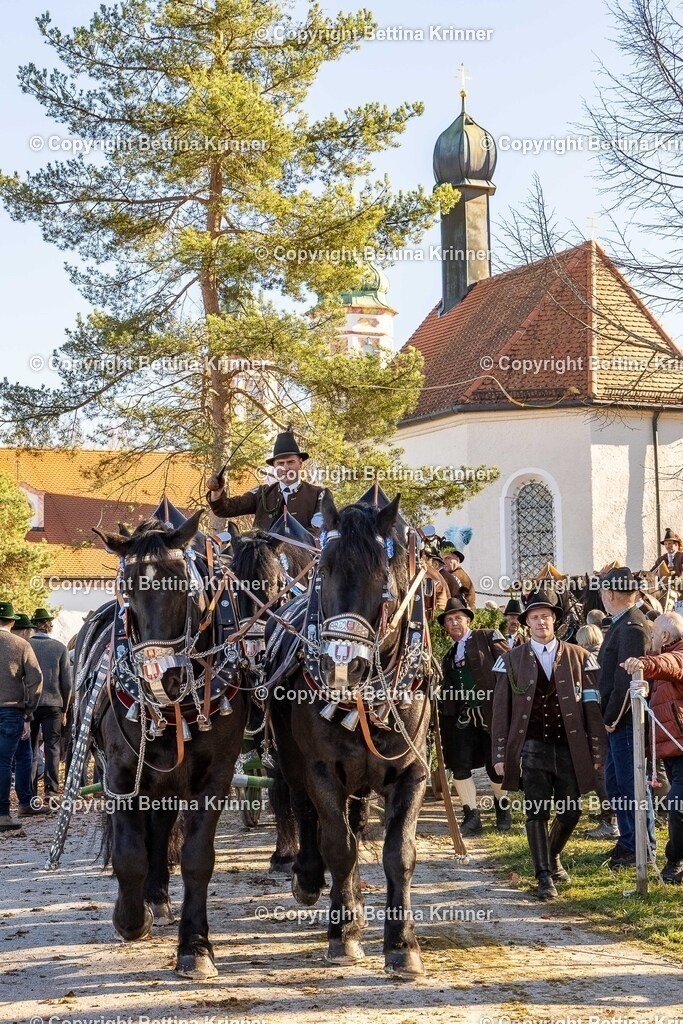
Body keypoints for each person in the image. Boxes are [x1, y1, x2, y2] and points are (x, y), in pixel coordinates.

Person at [491, 588, 605, 900]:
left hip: (570, 747)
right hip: (531, 747)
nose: (541, 621)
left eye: (546, 616)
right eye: (534, 617)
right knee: (536, 811)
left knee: (570, 812)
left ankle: (552, 856)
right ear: (526, 622)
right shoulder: (510, 660)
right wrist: (500, 754)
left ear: (554, 619)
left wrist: (597, 751)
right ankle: (543, 876)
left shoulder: (580, 657)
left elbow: (592, 709)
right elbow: (501, 711)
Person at [437, 597, 510, 835]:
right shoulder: (448, 655)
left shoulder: (487, 636)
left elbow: (510, 663)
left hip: (490, 713)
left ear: (468, 620)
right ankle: (471, 816)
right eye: (449, 620)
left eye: (458, 618)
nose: (454, 623)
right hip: (463, 716)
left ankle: (503, 808)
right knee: (460, 765)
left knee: (494, 764)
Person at [598, 566, 655, 869]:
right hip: (617, 721)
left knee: (632, 785)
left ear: (610, 593)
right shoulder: (623, 623)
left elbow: (628, 680)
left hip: (626, 720)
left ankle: (640, 847)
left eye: (603, 592)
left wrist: (612, 717)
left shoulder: (632, 626)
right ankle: (629, 842)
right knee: (616, 782)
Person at [622, 612, 683, 884]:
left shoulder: (677, 654)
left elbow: (668, 664)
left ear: (666, 636)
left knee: (678, 805)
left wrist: (644, 664)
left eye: (655, 632)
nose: (652, 637)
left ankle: (675, 861)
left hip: (681, 748)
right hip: (671, 749)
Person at [206, 429, 331, 534]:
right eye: (280, 463)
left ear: (300, 463)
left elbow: (320, 529)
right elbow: (226, 509)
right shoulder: (261, 493)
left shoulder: (319, 494)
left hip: (304, 559)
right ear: (275, 467)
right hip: (263, 558)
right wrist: (217, 492)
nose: (286, 467)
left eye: (290, 462)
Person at [0, 602, 43, 831]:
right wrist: (28, 710)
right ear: (13, 621)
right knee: (5, 762)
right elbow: (36, 678)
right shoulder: (21, 644)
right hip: (11, 710)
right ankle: (2, 813)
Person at [575, 624, 619, 840]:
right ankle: (611, 816)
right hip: (611, 719)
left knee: (600, 770)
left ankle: (610, 820)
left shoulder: (587, 661)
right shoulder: (604, 656)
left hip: (597, 721)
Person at [29, 608, 72, 803]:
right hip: (54, 704)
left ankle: (30, 791)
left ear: (33, 625)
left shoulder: (26, 645)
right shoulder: (60, 647)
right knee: (52, 747)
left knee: (30, 748)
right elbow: (67, 683)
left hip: (30, 704)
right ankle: (52, 790)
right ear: (49, 626)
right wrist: (64, 709)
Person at [440, 545, 476, 609]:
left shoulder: (455, 576)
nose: (443, 562)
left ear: (457, 560)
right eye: (441, 559)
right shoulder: (458, 573)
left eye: (448, 558)